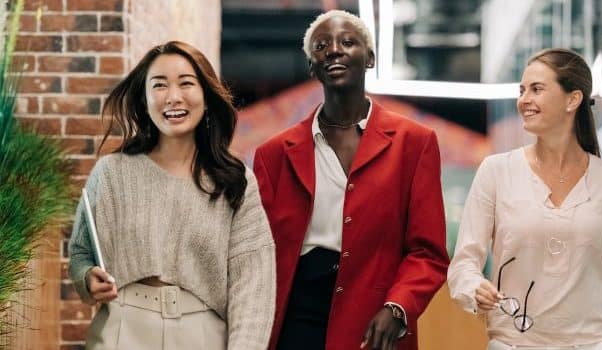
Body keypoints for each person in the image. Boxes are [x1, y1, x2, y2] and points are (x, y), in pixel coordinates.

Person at [252, 9, 449, 350]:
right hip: (294, 316)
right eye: (321, 46)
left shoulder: (414, 143)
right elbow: (255, 251)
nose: (333, 50)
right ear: (312, 65)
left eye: (347, 42)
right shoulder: (273, 154)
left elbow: (427, 252)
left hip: (375, 317)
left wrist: (398, 307)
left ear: (370, 58)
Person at [68, 41, 276, 349]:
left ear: (206, 96)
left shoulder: (235, 181)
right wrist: (87, 278)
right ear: (144, 98)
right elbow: (81, 252)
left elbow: (253, 288)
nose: (173, 97)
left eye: (186, 84)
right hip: (122, 329)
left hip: (204, 335)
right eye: (159, 85)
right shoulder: (112, 172)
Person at [447, 48, 602, 350]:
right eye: (522, 90)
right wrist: (474, 288)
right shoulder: (496, 171)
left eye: (537, 89)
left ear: (572, 99)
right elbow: (463, 265)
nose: (524, 100)